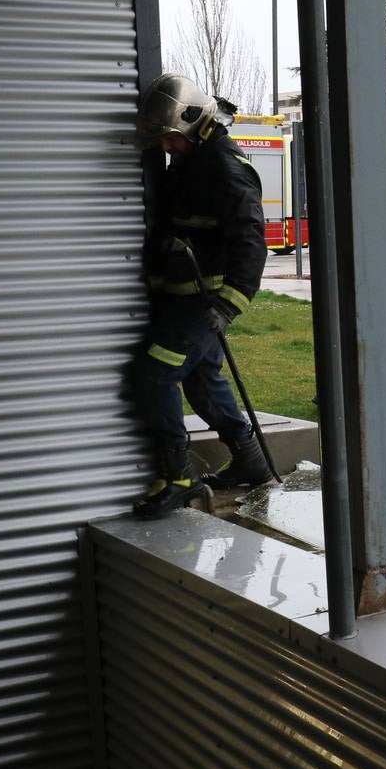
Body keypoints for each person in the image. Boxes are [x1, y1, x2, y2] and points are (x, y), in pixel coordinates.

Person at [131, 73, 270, 518]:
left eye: (170, 139)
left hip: (204, 305)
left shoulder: (226, 168)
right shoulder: (193, 159)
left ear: (194, 123)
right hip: (183, 298)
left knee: (155, 374)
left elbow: (252, 242)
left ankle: (178, 475)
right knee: (202, 378)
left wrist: (229, 305)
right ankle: (251, 462)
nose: (166, 149)